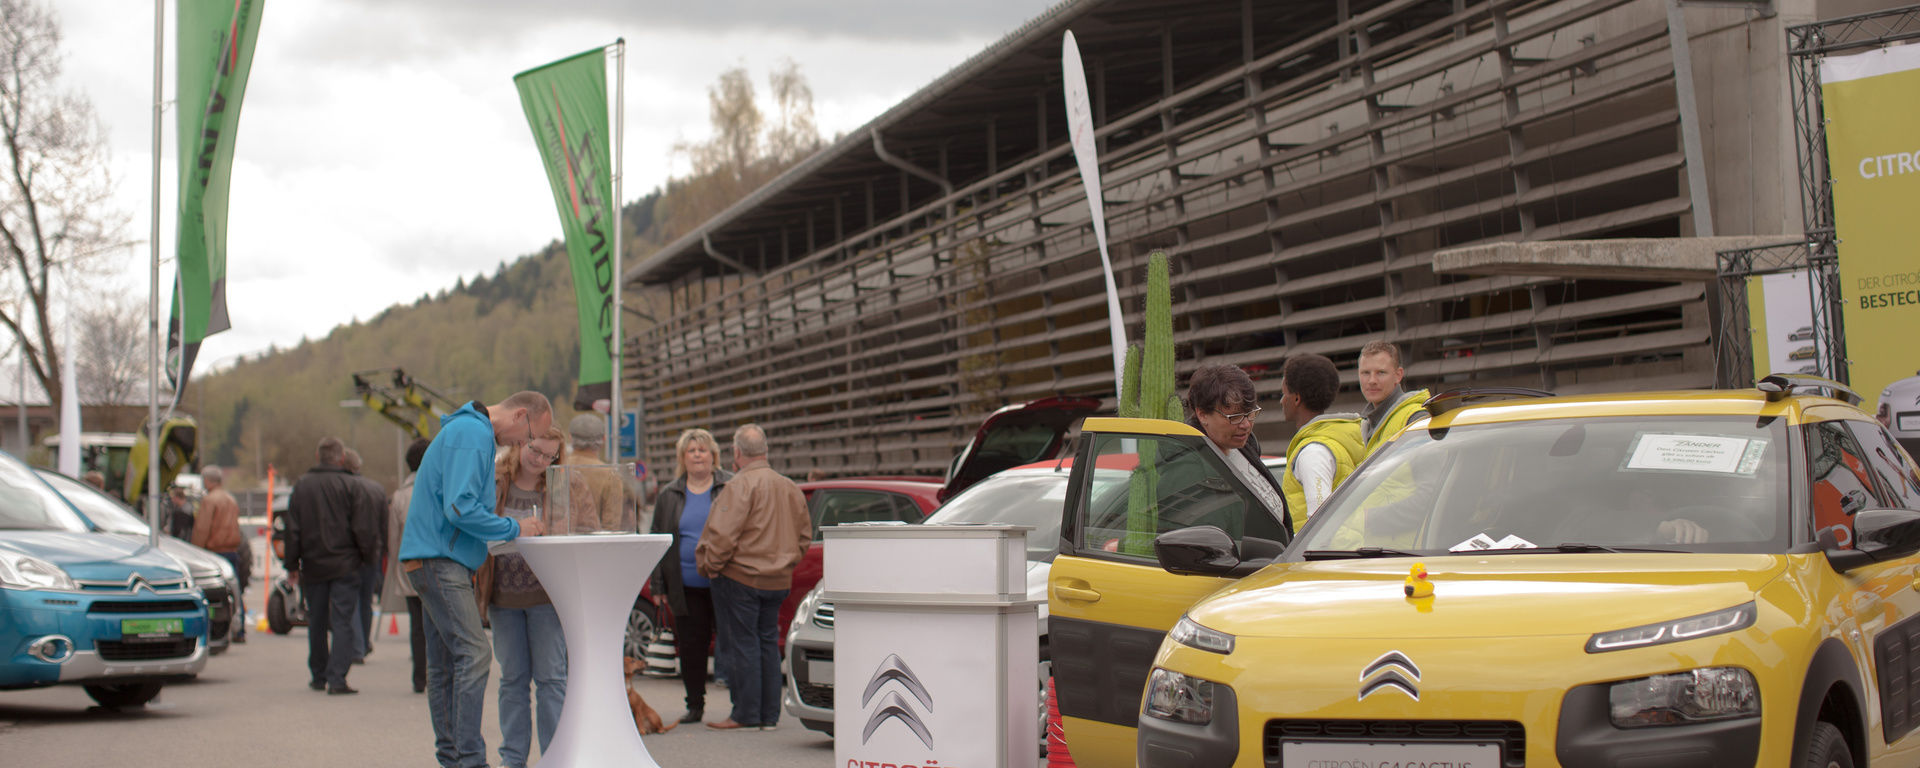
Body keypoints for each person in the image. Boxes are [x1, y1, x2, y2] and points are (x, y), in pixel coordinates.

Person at [399, 391, 551, 768]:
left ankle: (453, 757)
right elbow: (460, 507)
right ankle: (469, 759)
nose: (523, 444)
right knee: (476, 654)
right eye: (529, 435)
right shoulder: (473, 434)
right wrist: (516, 527)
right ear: (520, 415)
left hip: (431, 558)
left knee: (445, 665)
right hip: (441, 560)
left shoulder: (465, 430)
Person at [695, 424, 809, 731]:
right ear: (766, 451)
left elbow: (723, 535)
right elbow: (803, 538)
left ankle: (745, 713)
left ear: (736, 452)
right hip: (777, 581)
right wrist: (786, 564)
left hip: (741, 577)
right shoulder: (789, 487)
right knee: (768, 644)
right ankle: (768, 715)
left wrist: (710, 566)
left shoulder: (739, 486)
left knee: (742, 644)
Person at [474, 424, 572, 768]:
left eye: (550, 455)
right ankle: (512, 759)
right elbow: (478, 526)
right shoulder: (496, 480)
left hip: (546, 598)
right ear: (520, 445)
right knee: (512, 681)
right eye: (536, 451)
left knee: (551, 680)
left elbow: (580, 529)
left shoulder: (562, 485)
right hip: (503, 598)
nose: (541, 460)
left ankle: (555, 758)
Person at [284, 436, 379, 695]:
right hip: (346, 565)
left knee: (316, 620)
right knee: (343, 621)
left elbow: (292, 529)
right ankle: (337, 677)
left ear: (317, 457)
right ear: (340, 458)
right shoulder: (350, 486)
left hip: (313, 564)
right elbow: (363, 528)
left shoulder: (302, 486)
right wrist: (368, 558)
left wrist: (291, 563)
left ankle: (318, 674)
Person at [650, 428, 731, 725]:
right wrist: (658, 584)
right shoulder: (669, 494)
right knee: (691, 647)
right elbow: (658, 540)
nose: (697, 455)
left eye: (703, 450)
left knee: (732, 643)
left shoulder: (730, 487)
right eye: (691, 451)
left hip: (725, 581)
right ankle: (694, 704)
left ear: (713, 456)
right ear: (682, 458)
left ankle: (741, 705)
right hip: (684, 585)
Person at [1183, 363, 1289, 532]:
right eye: (1235, 416)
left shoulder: (1246, 447)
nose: (1246, 424)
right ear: (1202, 414)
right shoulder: (1189, 470)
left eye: (1250, 413)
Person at [1278, 353, 1365, 532]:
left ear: (1296, 398)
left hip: (1324, 556)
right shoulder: (1338, 438)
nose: (1281, 401)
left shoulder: (1313, 452)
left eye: (1284, 393)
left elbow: (1318, 522)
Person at [382, 438, 431, 693]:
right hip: (438, 566)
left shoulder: (400, 496)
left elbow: (393, 539)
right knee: (438, 623)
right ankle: (438, 673)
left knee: (417, 626)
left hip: (409, 568)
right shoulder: (438, 488)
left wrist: (394, 567)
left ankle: (419, 677)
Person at [189, 466, 248, 643]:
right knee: (235, 591)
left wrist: (194, 552)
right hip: (232, 550)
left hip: (215, 552)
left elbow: (202, 529)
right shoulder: (230, 499)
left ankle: (213, 630)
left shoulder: (209, 500)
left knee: (213, 593)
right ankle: (240, 629)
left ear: (208, 481)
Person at [342, 448, 389, 662]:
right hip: (374, 554)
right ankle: (364, 642)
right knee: (366, 600)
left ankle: (357, 647)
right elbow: (384, 525)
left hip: (350, 554)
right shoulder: (377, 490)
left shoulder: (345, 488)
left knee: (350, 601)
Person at [1357, 340, 1430, 459]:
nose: (1372, 381)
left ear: (1398, 375)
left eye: (1381, 372)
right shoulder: (1364, 424)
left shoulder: (1415, 418)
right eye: (1365, 373)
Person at [562, 413, 628, 531]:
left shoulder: (558, 468)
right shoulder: (611, 475)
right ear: (603, 439)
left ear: (570, 438)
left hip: (559, 543)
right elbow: (611, 526)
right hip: (594, 546)